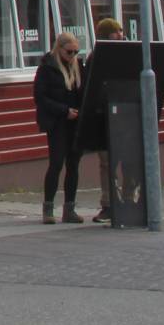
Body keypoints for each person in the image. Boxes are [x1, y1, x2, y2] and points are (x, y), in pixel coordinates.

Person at [34, 31, 86, 224]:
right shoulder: (47, 68)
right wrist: (64, 111)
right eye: (69, 52)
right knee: (56, 163)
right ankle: (48, 208)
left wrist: (80, 111)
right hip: (57, 122)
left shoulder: (78, 66)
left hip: (75, 122)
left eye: (76, 52)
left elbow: (84, 91)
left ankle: (69, 208)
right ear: (59, 49)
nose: (72, 56)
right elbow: (40, 97)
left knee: (73, 164)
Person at [92, 16, 126, 222]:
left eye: (121, 31)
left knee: (129, 161)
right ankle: (109, 203)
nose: (120, 34)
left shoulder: (130, 54)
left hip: (126, 116)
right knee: (106, 163)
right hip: (104, 117)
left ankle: (130, 198)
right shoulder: (96, 57)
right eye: (116, 31)